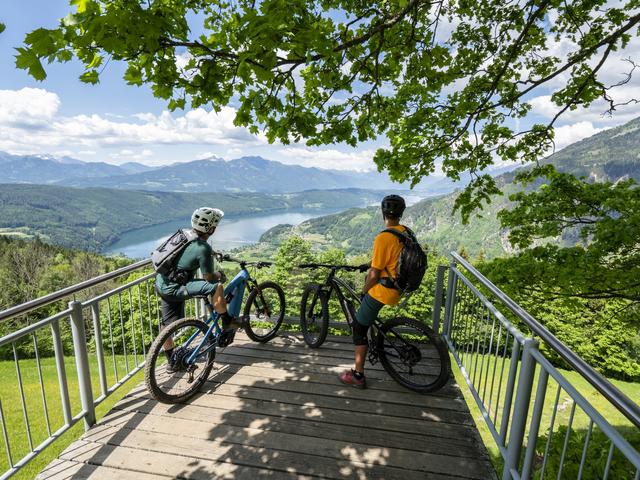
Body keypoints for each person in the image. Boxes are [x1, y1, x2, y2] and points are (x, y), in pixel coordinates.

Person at [155, 207, 242, 368]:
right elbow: (208, 277)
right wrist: (219, 274)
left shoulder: (185, 235)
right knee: (217, 287)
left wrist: (211, 253)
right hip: (176, 288)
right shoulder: (203, 248)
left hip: (162, 283)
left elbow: (189, 251)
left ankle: (171, 361)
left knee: (166, 324)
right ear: (211, 229)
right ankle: (227, 320)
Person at [339, 194, 408, 389]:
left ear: (383, 213)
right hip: (399, 286)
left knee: (359, 327)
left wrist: (364, 291)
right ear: (401, 213)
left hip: (384, 290)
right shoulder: (405, 233)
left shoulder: (384, 237)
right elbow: (393, 260)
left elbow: (374, 274)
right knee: (367, 318)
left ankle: (358, 375)